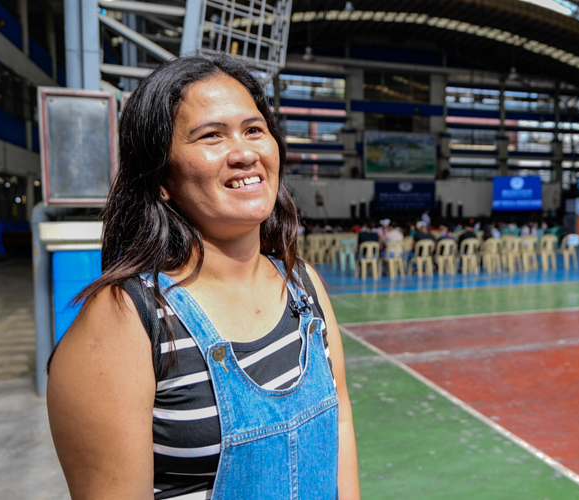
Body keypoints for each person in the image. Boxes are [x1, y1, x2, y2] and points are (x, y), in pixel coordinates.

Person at [46, 55, 359, 500]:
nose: (245, 153)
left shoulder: (302, 285)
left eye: (254, 130)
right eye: (211, 135)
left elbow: (340, 422)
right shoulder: (125, 319)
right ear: (161, 178)